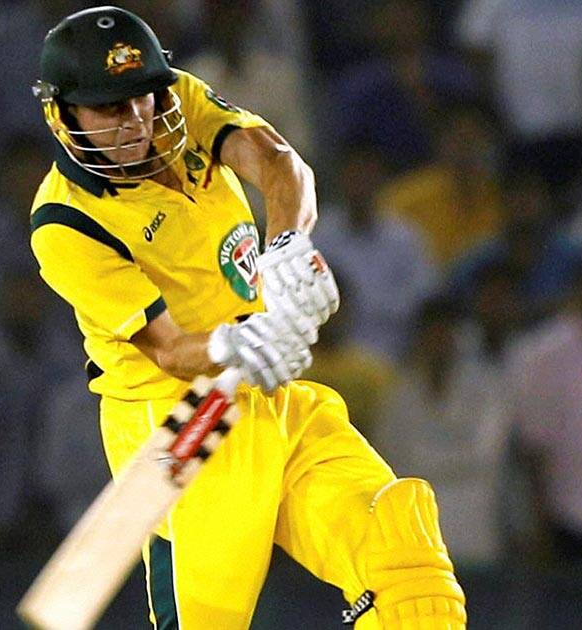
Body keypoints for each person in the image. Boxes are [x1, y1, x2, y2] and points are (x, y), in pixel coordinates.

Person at [27, 7, 465, 629]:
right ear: (63, 113)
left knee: (405, 563)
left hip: (273, 396)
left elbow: (276, 158)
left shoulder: (175, 99)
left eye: (141, 99)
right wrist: (238, 343)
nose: (135, 120)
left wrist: (287, 246)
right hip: (181, 431)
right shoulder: (64, 225)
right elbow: (169, 348)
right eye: (108, 109)